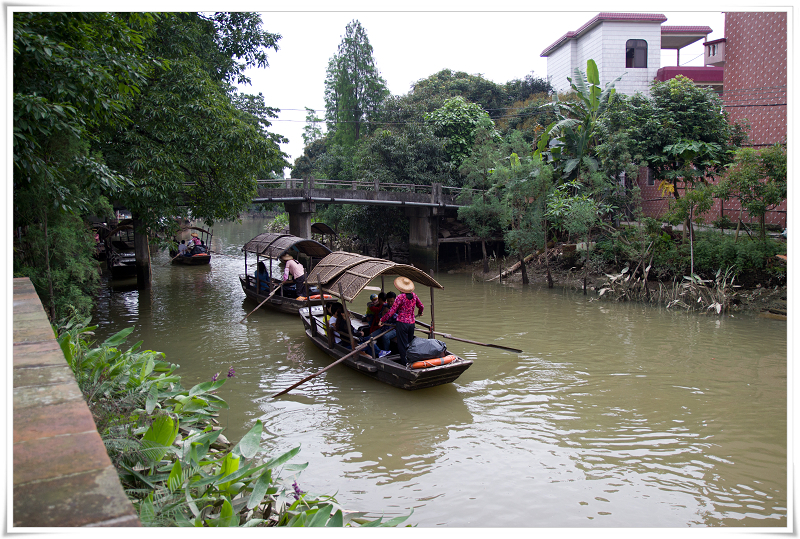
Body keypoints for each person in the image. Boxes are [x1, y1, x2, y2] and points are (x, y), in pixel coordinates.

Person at [379, 277, 424, 366]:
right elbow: (421, 306)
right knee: (410, 343)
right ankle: (412, 361)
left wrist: (382, 320)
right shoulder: (414, 296)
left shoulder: (400, 297)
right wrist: (420, 312)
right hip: (411, 324)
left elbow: (391, 311)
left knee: (402, 345)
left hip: (402, 323)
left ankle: (405, 364)